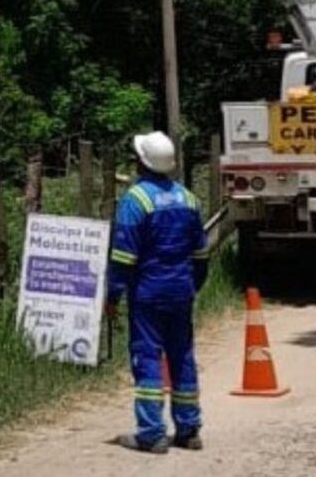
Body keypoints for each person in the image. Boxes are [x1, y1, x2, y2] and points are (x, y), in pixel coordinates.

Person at [106, 131, 209, 454]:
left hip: (148, 293)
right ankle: (189, 430)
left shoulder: (136, 200)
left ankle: (151, 434)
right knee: (182, 357)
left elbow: (123, 257)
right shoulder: (189, 199)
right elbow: (201, 255)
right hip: (181, 291)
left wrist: (112, 296)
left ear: (141, 163)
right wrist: (191, 287)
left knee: (148, 356)